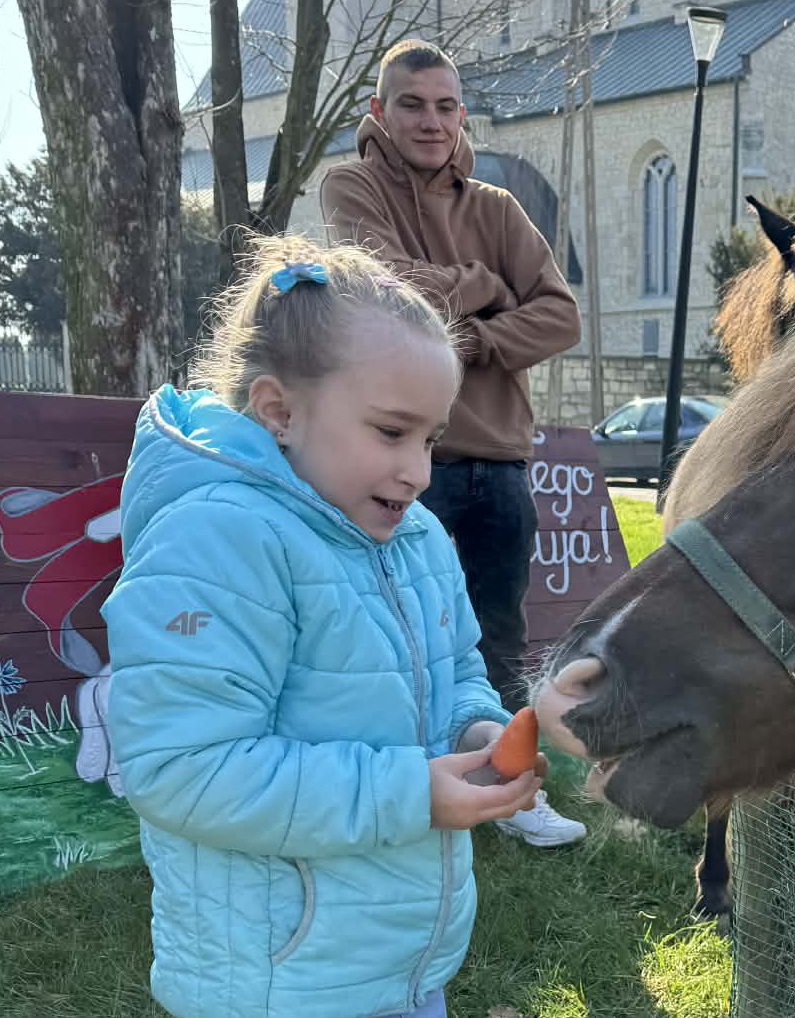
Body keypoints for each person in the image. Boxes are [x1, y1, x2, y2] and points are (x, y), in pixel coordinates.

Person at [103, 237, 546, 1018]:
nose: (418, 470)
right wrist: (409, 794)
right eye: (391, 431)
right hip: (275, 984)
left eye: (431, 438)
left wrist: (476, 732)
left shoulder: (414, 539)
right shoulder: (217, 541)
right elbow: (183, 770)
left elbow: (455, 671)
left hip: (395, 966)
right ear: (279, 411)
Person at [320, 38, 586, 846]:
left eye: (445, 106)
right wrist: (481, 284)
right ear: (379, 112)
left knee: (496, 634)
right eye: (411, 104)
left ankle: (510, 792)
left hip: (500, 460)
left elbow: (560, 315)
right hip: (404, 459)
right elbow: (380, 294)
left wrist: (461, 341)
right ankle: (406, 788)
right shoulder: (350, 184)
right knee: (393, 632)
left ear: (461, 114)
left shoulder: (499, 208)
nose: (430, 121)